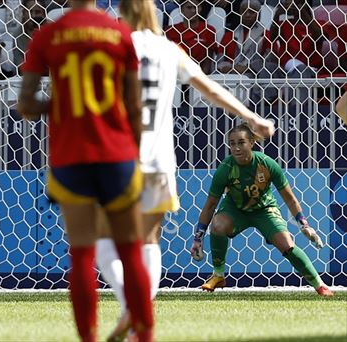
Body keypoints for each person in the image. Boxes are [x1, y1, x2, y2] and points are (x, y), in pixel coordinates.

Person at [96, 1, 276, 339]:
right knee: (151, 240)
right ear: (154, 16)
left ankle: (131, 308)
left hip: (117, 157)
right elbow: (210, 89)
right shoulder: (168, 50)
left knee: (105, 240)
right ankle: (139, 317)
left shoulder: (110, 49)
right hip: (159, 161)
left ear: (123, 17)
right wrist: (251, 118)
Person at [17, 0, 154, 340]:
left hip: (71, 155)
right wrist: (135, 156)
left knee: (81, 253)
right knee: (130, 248)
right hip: (116, 154)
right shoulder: (120, 34)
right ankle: (146, 335)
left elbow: (25, 105)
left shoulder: (47, 35)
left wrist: (60, 101)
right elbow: (135, 105)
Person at [189, 123, 334, 297]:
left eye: (241, 142)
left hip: (265, 210)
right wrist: (198, 238)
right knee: (218, 225)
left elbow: (290, 198)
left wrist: (304, 225)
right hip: (235, 210)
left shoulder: (266, 164)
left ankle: (320, 285)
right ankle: (218, 275)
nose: (236, 148)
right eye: (232, 143)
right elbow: (210, 205)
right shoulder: (225, 169)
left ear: (252, 143)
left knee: (287, 245)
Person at [165, 0, 217, 74]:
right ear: (181, 10)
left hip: (199, 75)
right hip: (176, 75)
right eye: (189, 7)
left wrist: (200, 79)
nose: (193, 10)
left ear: (200, 9)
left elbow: (208, 60)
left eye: (196, 7)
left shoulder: (208, 30)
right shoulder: (171, 31)